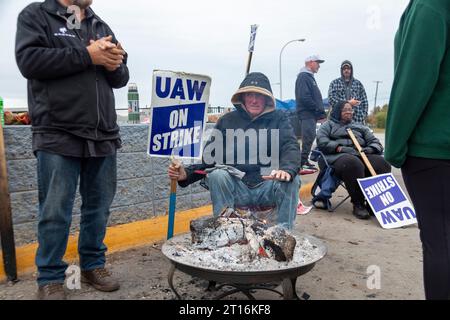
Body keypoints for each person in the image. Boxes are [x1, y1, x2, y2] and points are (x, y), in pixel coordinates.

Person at [15, 0, 129, 299]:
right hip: (57, 131)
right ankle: (50, 277)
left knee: (98, 208)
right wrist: (88, 55)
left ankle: (93, 266)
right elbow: (29, 62)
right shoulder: (37, 15)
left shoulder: (99, 24)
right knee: (55, 211)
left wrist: (116, 59)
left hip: (102, 133)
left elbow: (121, 78)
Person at [168, 72, 301, 230]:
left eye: (259, 95)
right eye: (250, 94)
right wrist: (187, 174)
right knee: (218, 174)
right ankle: (226, 232)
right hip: (237, 188)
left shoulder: (280, 118)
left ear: (267, 99)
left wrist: (287, 169)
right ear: (243, 97)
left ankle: (283, 235)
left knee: (291, 179)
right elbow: (210, 159)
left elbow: (290, 145)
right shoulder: (227, 120)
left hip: (267, 185)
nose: (254, 100)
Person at [385, 0, 450, 300]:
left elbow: (413, 81)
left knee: (440, 245)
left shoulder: (430, 7)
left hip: (434, 151)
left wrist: (394, 148)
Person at [316, 101, 391, 219]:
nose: (348, 112)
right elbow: (322, 142)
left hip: (361, 154)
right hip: (337, 157)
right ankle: (358, 204)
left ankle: (375, 204)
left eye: (350, 109)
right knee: (353, 164)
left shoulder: (360, 127)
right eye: (345, 110)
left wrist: (371, 149)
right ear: (337, 111)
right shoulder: (328, 125)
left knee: (382, 163)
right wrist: (339, 148)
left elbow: (375, 142)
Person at [295, 55, 327, 171]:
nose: (319, 66)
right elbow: (304, 97)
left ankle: (304, 161)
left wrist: (319, 113)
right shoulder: (304, 76)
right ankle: (301, 163)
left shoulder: (309, 77)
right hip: (306, 113)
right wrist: (317, 109)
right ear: (311, 62)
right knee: (308, 137)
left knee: (310, 137)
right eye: (318, 63)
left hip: (310, 114)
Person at [328, 60, 369, 125]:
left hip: (357, 120)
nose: (346, 70)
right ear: (341, 70)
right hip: (339, 120)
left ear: (351, 70)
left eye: (348, 68)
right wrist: (348, 103)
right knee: (340, 135)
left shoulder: (358, 84)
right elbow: (331, 100)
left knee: (356, 135)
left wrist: (363, 115)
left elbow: (365, 101)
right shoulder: (334, 83)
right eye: (344, 69)